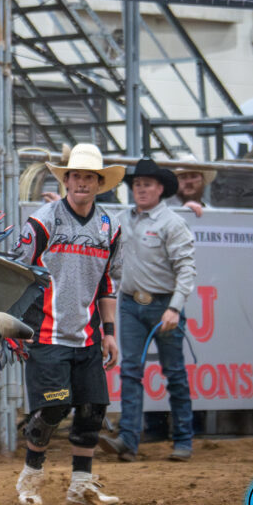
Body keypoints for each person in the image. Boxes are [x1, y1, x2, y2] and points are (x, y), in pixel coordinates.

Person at [10, 143, 124, 505]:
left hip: (88, 335)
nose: (82, 183)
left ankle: (81, 484)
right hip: (46, 332)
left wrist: (109, 333)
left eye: (90, 177)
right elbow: (19, 274)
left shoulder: (110, 227)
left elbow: (107, 283)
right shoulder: (43, 221)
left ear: (99, 183)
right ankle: (30, 479)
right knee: (53, 407)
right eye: (76, 176)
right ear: (67, 180)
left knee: (92, 409)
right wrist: (15, 325)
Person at [99, 158, 196, 463]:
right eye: (137, 184)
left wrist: (174, 308)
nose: (141, 189)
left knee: (174, 373)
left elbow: (186, 268)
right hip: (130, 303)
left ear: (160, 189)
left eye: (147, 184)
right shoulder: (120, 220)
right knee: (131, 371)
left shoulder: (172, 223)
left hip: (163, 305)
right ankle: (128, 441)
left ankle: (183, 440)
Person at [168, 153, 216, 218]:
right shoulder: (165, 211)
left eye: (194, 176)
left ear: (202, 181)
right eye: (183, 177)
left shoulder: (214, 214)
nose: (188, 181)